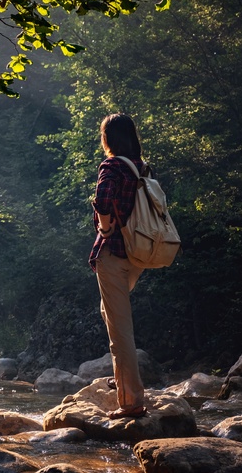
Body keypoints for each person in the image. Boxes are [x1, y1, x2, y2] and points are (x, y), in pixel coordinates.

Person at [88, 113, 148, 419]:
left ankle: (131, 402)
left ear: (107, 138)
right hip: (137, 254)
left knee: (119, 330)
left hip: (113, 251)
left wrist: (106, 228)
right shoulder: (141, 167)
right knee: (109, 313)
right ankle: (124, 379)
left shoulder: (112, 166)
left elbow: (102, 198)